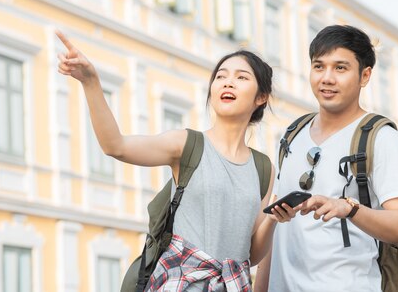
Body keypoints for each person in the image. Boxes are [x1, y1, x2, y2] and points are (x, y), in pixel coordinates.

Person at [55, 30, 280, 291]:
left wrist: (273, 219)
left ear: (261, 97)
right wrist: (90, 82)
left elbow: (251, 253)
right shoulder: (185, 144)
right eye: (221, 76)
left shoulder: (263, 168)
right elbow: (115, 145)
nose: (227, 83)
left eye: (241, 77)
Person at [254, 25, 398, 292]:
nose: (327, 78)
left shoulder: (381, 137)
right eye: (319, 67)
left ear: (364, 76)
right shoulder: (292, 134)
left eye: (340, 68)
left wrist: (350, 208)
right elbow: (277, 230)